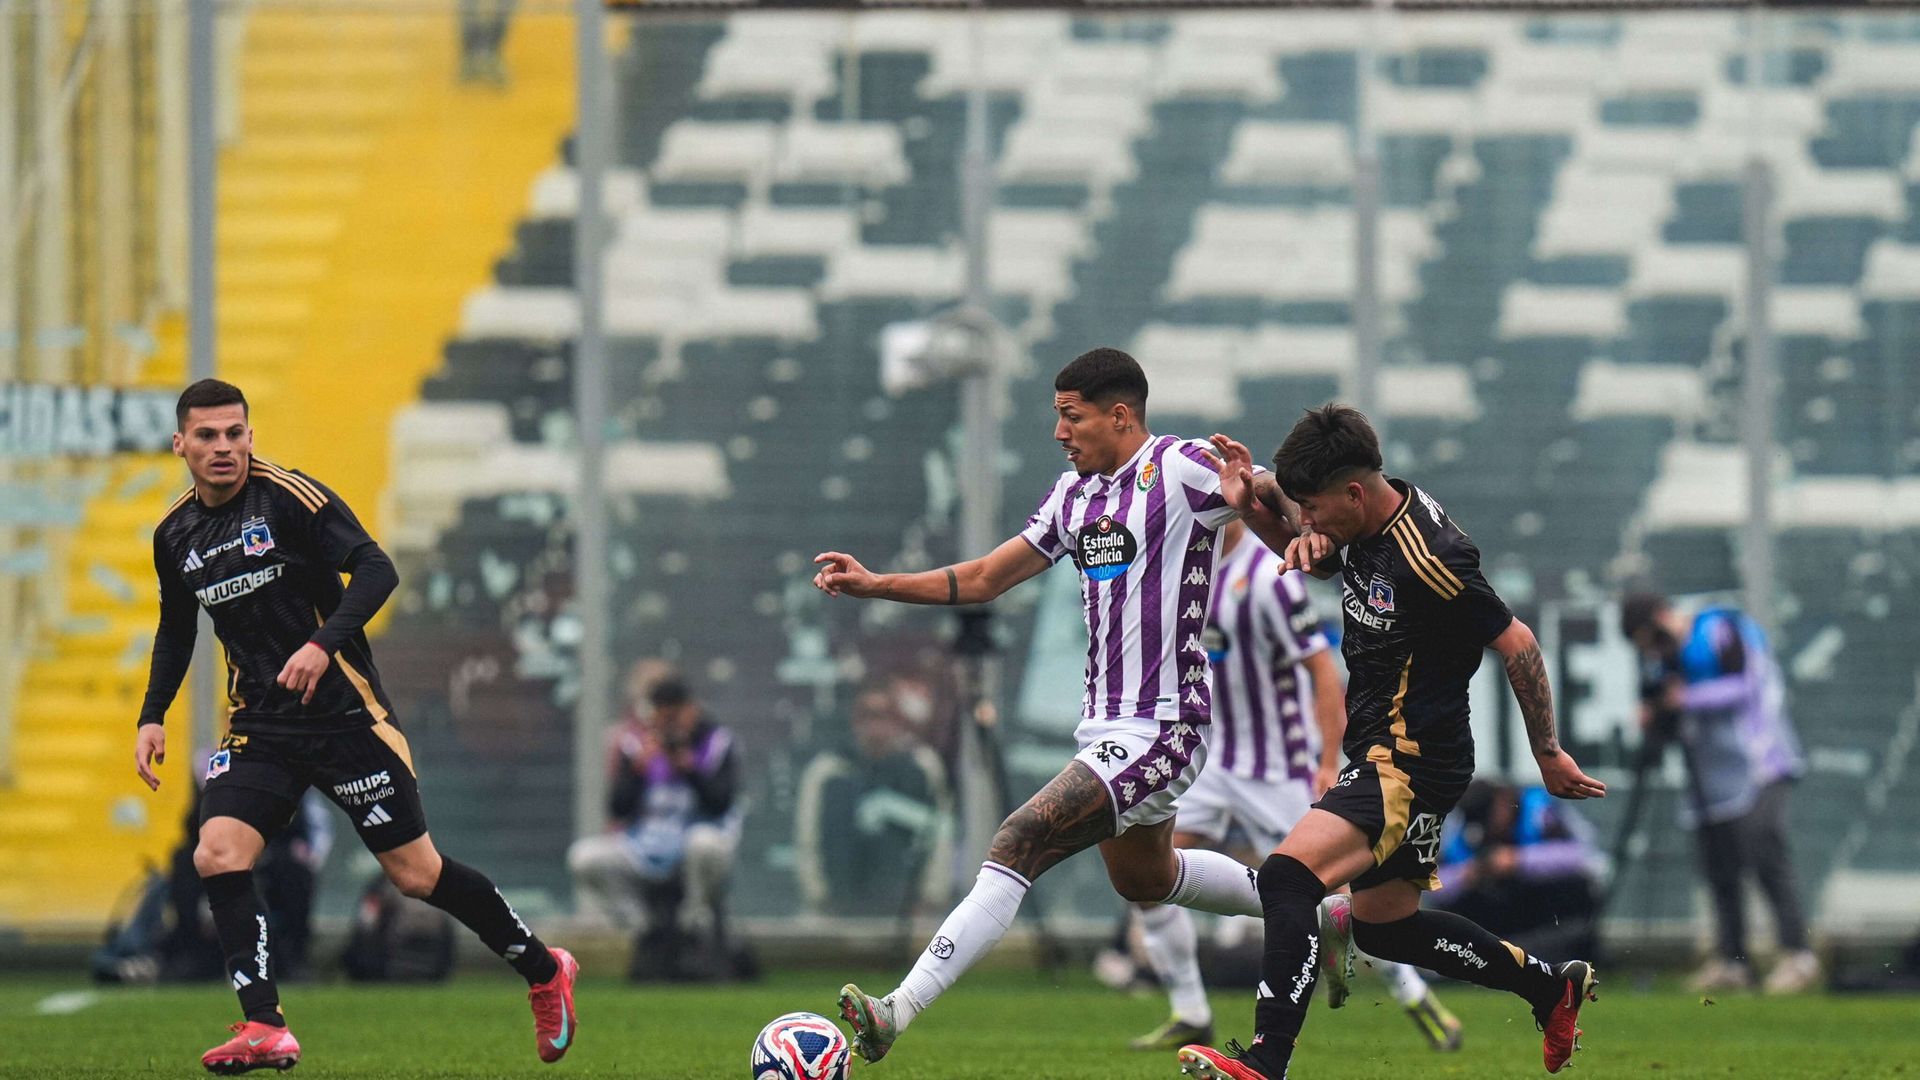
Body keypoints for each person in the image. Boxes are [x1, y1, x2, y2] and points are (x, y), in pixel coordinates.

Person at [812, 348, 1278, 1065]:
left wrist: (1260, 490)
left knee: (1018, 838)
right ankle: (1308, 901)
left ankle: (893, 1012)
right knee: (1146, 880)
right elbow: (989, 576)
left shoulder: (1180, 467)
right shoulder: (1074, 496)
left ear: (1119, 415)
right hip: (1107, 729)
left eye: (1072, 416)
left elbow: (1263, 495)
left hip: (1166, 724)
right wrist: (878, 585)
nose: (1060, 432)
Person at [133, 379, 578, 1073]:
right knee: (217, 851)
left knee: (417, 875)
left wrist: (322, 644)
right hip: (261, 724)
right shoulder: (176, 534)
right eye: (207, 436)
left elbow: (377, 568)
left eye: (234, 434)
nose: (223, 448)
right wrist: (152, 715)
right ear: (180, 444)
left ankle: (545, 970)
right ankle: (264, 1026)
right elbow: (175, 626)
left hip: (346, 718)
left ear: (250, 436)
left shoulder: (288, 498)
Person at [1178, 406, 1607, 1080]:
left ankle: (1264, 1063)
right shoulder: (1366, 512)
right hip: (1397, 753)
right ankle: (1550, 989)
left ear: (1352, 492)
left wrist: (1547, 753)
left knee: (1288, 878)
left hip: (1408, 761)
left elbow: (1517, 642)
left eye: (1315, 510)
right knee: (1385, 927)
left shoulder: (1433, 558)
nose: (1309, 522)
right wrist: (1257, 506)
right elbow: (1305, 545)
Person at [1129, 520, 1463, 1054]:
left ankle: (1413, 993)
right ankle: (1190, 1009)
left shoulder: (1270, 578)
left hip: (1280, 766)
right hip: (1212, 760)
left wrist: (1328, 759)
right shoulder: (1183, 571)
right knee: (1145, 870)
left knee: (1328, 888)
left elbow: (1321, 670)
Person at [1620, 592, 1816, 994]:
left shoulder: (1718, 628)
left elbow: (1746, 686)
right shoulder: (1668, 658)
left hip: (1761, 761)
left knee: (1766, 853)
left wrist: (1686, 698)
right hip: (1712, 777)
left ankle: (1797, 953)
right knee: (1720, 866)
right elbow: (1674, 711)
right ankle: (1733, 959)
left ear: (1662, 616)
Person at [566, 673, 743, 980]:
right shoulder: (636, 744)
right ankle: (644, 926)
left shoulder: (717, 743)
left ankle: (693, 921)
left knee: (706, 843)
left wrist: (689, 770)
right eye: (662, 714)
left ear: (691, 710)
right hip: (644, 849)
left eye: (676, 714)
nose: (670, 724)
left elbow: (721, 802)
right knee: (585, 857)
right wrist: (636, 772)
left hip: (696, 850)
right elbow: (617, 809)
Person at [794, 683, 952, 917]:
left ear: (898, 722)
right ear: (855, 721)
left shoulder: (922, 767)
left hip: (907, 912)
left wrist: (931, 896)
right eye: (868, 716)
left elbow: (941, 837)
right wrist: (818, 896)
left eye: (884, 716)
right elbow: (807, 837)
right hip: (838, 909)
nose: (876, 726)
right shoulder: (828, 771)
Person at [1434, 780, 1604, 964]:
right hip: (1503, 912)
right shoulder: (1464, 826)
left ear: (1501, 801)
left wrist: (1519, 860)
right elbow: (1437, 884)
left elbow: (1584, 857)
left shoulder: (1539, 811)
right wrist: (1468, 874)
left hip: (1549, 906)